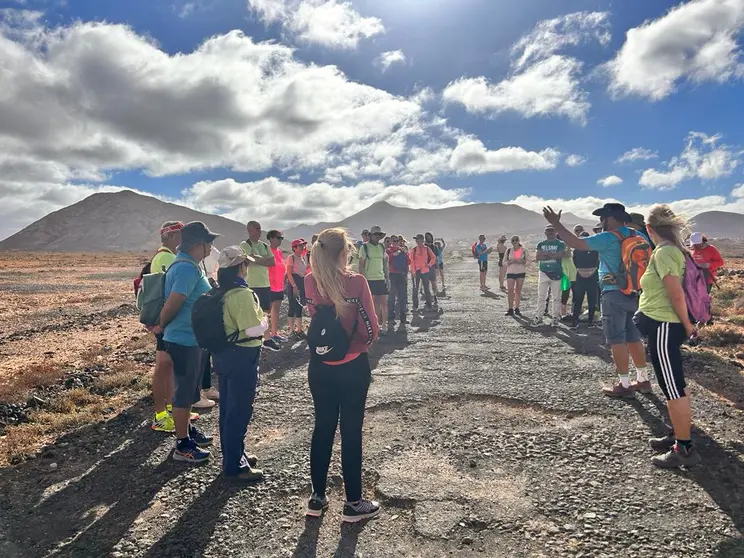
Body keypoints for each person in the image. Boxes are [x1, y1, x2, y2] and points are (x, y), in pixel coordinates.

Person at [304, 228, 381, 522]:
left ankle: (317, 497)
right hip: (352, 365)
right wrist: (362, 344)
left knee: (322, 428)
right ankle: (353, 503)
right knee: (351, 432)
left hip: (320, 365)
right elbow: (371, 327)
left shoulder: (311, 281)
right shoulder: (356, 282)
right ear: (342, 252)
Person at [543, 203, 652, 398]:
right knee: (634, 337)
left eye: (602, 219)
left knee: (616, 339)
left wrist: (557, 225)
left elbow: (576, 243)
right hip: (636, 293)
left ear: (610, 219)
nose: (601, 223)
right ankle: (643, 380)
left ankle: (624, 384)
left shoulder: (609, 237)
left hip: (613, 293)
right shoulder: (639, 236)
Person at [636, 206, 701, 468]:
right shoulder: (672, 251)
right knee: (673, 385)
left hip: (665, 325)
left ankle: (684, 448)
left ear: (649, 230)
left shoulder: (665, 253)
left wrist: (687, 326)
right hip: (664, 325)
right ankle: (678, 433)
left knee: (673, 388)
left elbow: (675, 294)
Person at [154, 221, 217, 463]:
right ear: (198, 244)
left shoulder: (188, 265)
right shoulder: (187, 269)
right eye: (209, 242)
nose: (211, 247)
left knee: (190, 390)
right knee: (184, 392)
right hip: (184, 338)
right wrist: (162, 325)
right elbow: (174, 302)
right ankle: (182, 445)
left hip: (190, 337)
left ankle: (188, 431)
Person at [212, 246, 267, 481]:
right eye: (245, 264)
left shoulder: (222, 292)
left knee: (228, 407)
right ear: (240, 267)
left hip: (224, 355)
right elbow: (252, 329)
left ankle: (234, 455)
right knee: (239, 409)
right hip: (242, 356)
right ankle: (235, 466)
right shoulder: (241, 294)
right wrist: (265, 322)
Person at [149, 221, 183, 433]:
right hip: (165, 321)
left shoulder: (166, 256)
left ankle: (170, 409)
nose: (182, 240)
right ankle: (161, 415)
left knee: (168, 366)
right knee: (162, 367)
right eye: (180, 234)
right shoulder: (166, 257)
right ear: (171, 236)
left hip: (165, 320)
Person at [240, 221, 280, 352]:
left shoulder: (263, 245)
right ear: (250, 230)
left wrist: (258, 259)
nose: (259, 231)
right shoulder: (245, 244)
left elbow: (272, 262)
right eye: (257, 229)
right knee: (253, 312)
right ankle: (254, 339)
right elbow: (250, 259)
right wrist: (263, 259)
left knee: (265, 312)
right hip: (252, 284)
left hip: (265, 283)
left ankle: (266, 339)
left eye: (260, 228)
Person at [531, 226, 565, 328]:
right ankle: (539, 316)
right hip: (543, 272)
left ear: (555, 232)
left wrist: (547, 254)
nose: (550, 233)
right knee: (541, 296)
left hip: (556, 272)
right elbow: (538, 257)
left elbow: (559, 255)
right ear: (545, 232)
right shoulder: (541, 244)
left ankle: (555, 318)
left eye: (552, 231)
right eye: (548, 231)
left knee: (556, 297)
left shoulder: (560, 244)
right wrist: (551, 255)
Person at [358, 225, 389, 333]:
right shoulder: (364, 247)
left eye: (379, 234)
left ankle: (384, 325)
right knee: (372, 303)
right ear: (370, 235)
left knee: (384, 303)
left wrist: (387, 277)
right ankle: (375, 325)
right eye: (375, 234)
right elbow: (361, 264)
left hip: (380, 278)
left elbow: (384, 263)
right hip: (369, 279)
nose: (377, 236)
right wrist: (363, 279)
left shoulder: (381, 247)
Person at [568, 232, 600, 329]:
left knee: (579, 300)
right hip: (592, 275)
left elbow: (575, 262)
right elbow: (597, 261)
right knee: (591, 300)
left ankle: (575, 322)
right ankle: (590, 322)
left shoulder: (577, 250)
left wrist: (582, 270)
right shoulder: (594, 249)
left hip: (581, 275)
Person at [267, 230, 288, 343]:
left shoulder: (279, 252)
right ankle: (266, 336)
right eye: (278, 238)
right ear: (271, 238)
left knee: (276, 310)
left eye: (281, 238)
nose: (280, 240)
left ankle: (274, 333)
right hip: (270, 285)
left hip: (279, 286)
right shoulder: (267, 251)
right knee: (267, 311)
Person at [286, 238, 308, 339]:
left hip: (302, 282)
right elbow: (289, 273)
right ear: (294, 248)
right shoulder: (291, 258)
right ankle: (291, 331)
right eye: (300, 246)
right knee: (292, 306)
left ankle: (299, 329)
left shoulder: (302, 258)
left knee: (300, 306)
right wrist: (294, 286)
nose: (302, 248)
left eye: (303, 246)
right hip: (294, 282)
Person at [386, 235, 410, 330]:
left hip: (401, 275)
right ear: (391, 241)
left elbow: (409, 262)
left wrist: (405, 253)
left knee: (402, 298)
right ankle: (391, 318)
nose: (396, 242)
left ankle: (403, 318)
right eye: (394, 241)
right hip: (392, 275)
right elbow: (386, 261)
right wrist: (393, 255)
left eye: (397, 241)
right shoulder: (388, 251)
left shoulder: (402, 250)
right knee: (391, 298)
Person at [410, 234, 437, 313]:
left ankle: (429, 305)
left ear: (422, 240)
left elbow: (433, 257)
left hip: (425, 271)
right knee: (415, 289)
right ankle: (415, 306)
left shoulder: (427, 249)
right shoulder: (414, 250)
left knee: (426, 289)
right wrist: (413, 271)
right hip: (416, 271)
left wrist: (429, 264)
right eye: (417, 240)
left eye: (419, 240)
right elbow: (411, 261)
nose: (418, 241)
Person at [504, 235, 527, 316]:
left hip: (520, 272)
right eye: (513, 240)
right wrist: (510, 262)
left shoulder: (524, 250)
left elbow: (529, 262)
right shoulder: (508, 250)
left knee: (518, 291)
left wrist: (522, 262)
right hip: (510, 272)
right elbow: (504, 263)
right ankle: (510, 308)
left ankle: (517, 308)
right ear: (511, 242)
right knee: (510, 290)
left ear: (519, 241)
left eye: (516, 240)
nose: (515, 241)